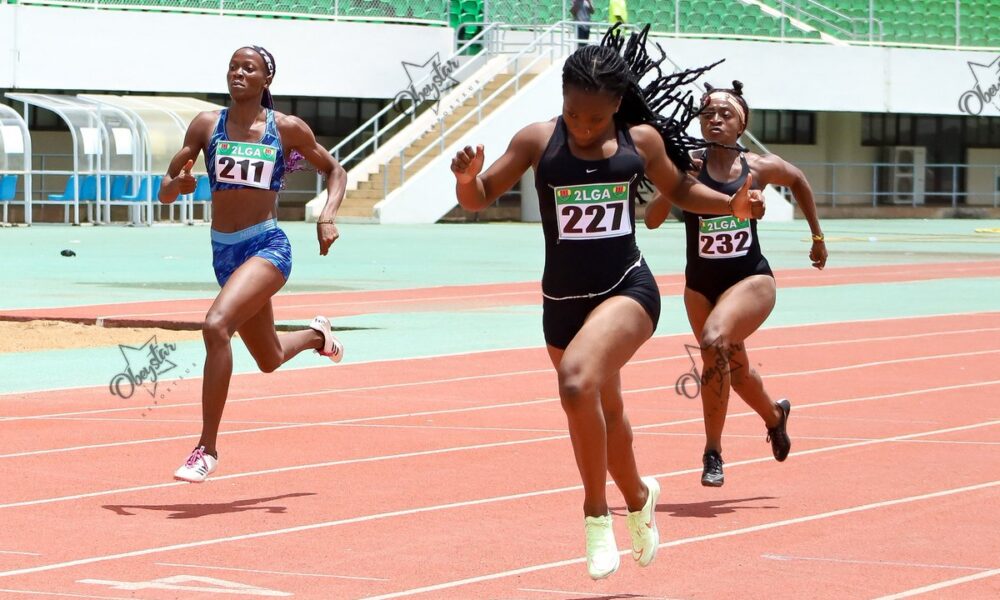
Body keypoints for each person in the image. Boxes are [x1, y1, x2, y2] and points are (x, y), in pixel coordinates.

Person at [450, 26, 763, 579]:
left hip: (627, 290)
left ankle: (597, 518)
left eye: (596, 118)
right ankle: (640, 498)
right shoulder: (535, 140)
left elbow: (680, 190)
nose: (585, 127)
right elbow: (479, 197)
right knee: (606, 412)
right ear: (563, 100)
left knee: (575, 381)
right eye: (575, 115)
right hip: (562, 302)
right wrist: (466, 181)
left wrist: (730, 206)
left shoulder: (639, 141)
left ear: (617, 105)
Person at [159, 46, 348, 483]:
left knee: (215, 326)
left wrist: (327, 216)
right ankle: (318, 335)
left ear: (267, 80)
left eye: (250, 68)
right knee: (269, 357)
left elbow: (335, 171)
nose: (238, 73)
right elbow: (166, 190)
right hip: (224, 254)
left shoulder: (286, 129)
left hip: (267, 246)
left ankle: (205, 449)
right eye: (233, 66)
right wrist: (179, 185)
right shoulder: (207, 126)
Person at [644, 80, 827, 487]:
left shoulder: (758, 168)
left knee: (712, 343)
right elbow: (651, 221)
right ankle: (775, 416)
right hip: (700, 287)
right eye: (708, 114)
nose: (716, 120)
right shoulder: (686, 164)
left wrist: (817, 237)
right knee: (734, 370)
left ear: (740, 124)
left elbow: (797, 179)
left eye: (725, 115)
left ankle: (713, 453)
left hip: (750, 280)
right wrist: (675, 184)